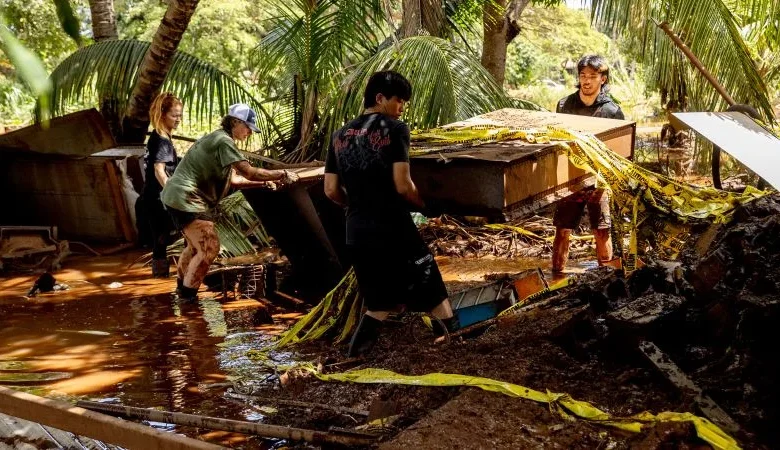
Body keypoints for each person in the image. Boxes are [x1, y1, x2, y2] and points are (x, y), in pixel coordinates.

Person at [324, 70, 458, 357]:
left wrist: (358, 205)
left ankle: (354, 357)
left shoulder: (339, 135)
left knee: (379, 302)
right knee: (431, 282)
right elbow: (403, 185)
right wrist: (426, 206)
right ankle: (453, 343)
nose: (401, 108)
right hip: (393, 228)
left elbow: (331, 190)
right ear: (379, 98)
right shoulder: (395, 129)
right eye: (398, 101)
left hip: (357, 231)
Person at [161, 104, 299, 302]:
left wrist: (267, 182)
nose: (250, 132)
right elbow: (249, 171)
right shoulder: (224, 141)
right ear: (235, 122)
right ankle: (188, 300)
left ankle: (182, 291)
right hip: (187, 198)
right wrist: (283, 173)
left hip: (177, 196)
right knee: (209, 247)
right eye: (248, 127)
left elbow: (235, 180)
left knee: (194, 247)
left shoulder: (219, 139)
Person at [553, 55, 623, 273]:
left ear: (602, 79)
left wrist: (607, 182)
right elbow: (556, 139)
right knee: (562, 229)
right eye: (583, 75)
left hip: (599, 180)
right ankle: (556, 274)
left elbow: (619, 151)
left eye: (592, 76)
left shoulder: (612, 111)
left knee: (601, 230)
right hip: (569, 178)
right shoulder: (564, 105)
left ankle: (607, 276)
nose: (586, 80)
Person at [143, 92, 183, 278]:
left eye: (180, 115)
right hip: (159, 198)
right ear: (162, 114)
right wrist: (172, 195)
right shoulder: (162, 140)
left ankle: (161, 279)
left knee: (161, 240)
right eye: (174, 115)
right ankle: (177, 278)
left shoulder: (159, 136)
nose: (178, 119)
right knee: (164, 239)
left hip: (154, 196)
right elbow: (159, 170)